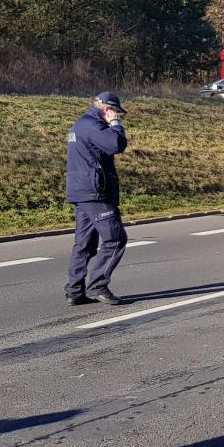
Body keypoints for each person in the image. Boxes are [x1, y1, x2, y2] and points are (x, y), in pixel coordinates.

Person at [65, 92, 129, 305]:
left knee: (84, 243)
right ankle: (98, 285)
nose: (117, 116)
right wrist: (116, 124)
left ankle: (74, 291)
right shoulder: (94, 126)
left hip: (81, 191)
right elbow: (117, 145)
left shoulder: (80, 124)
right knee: (115, 238)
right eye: (116, 112)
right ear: (107, 109)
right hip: (96, 192)